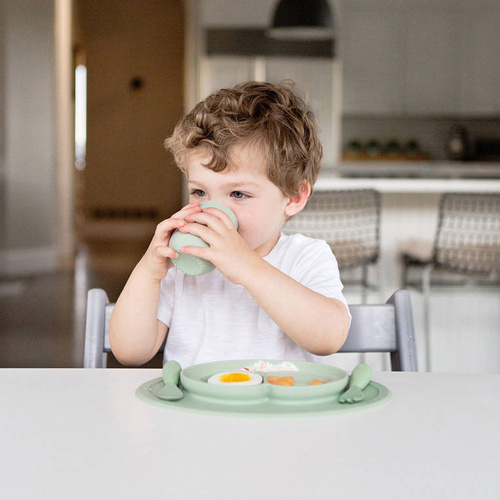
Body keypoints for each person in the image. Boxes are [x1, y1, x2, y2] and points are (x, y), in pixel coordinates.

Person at [109, 81, 350, 368]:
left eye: (238, 194)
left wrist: (245, 266)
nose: (215, 211)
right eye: (200, 192)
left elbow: (328, 338)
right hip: (196, 411)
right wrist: (149, 271)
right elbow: (130, 352)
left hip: (279, 410)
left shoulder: (305, 256)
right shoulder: (184, 267)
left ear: (294, 197)